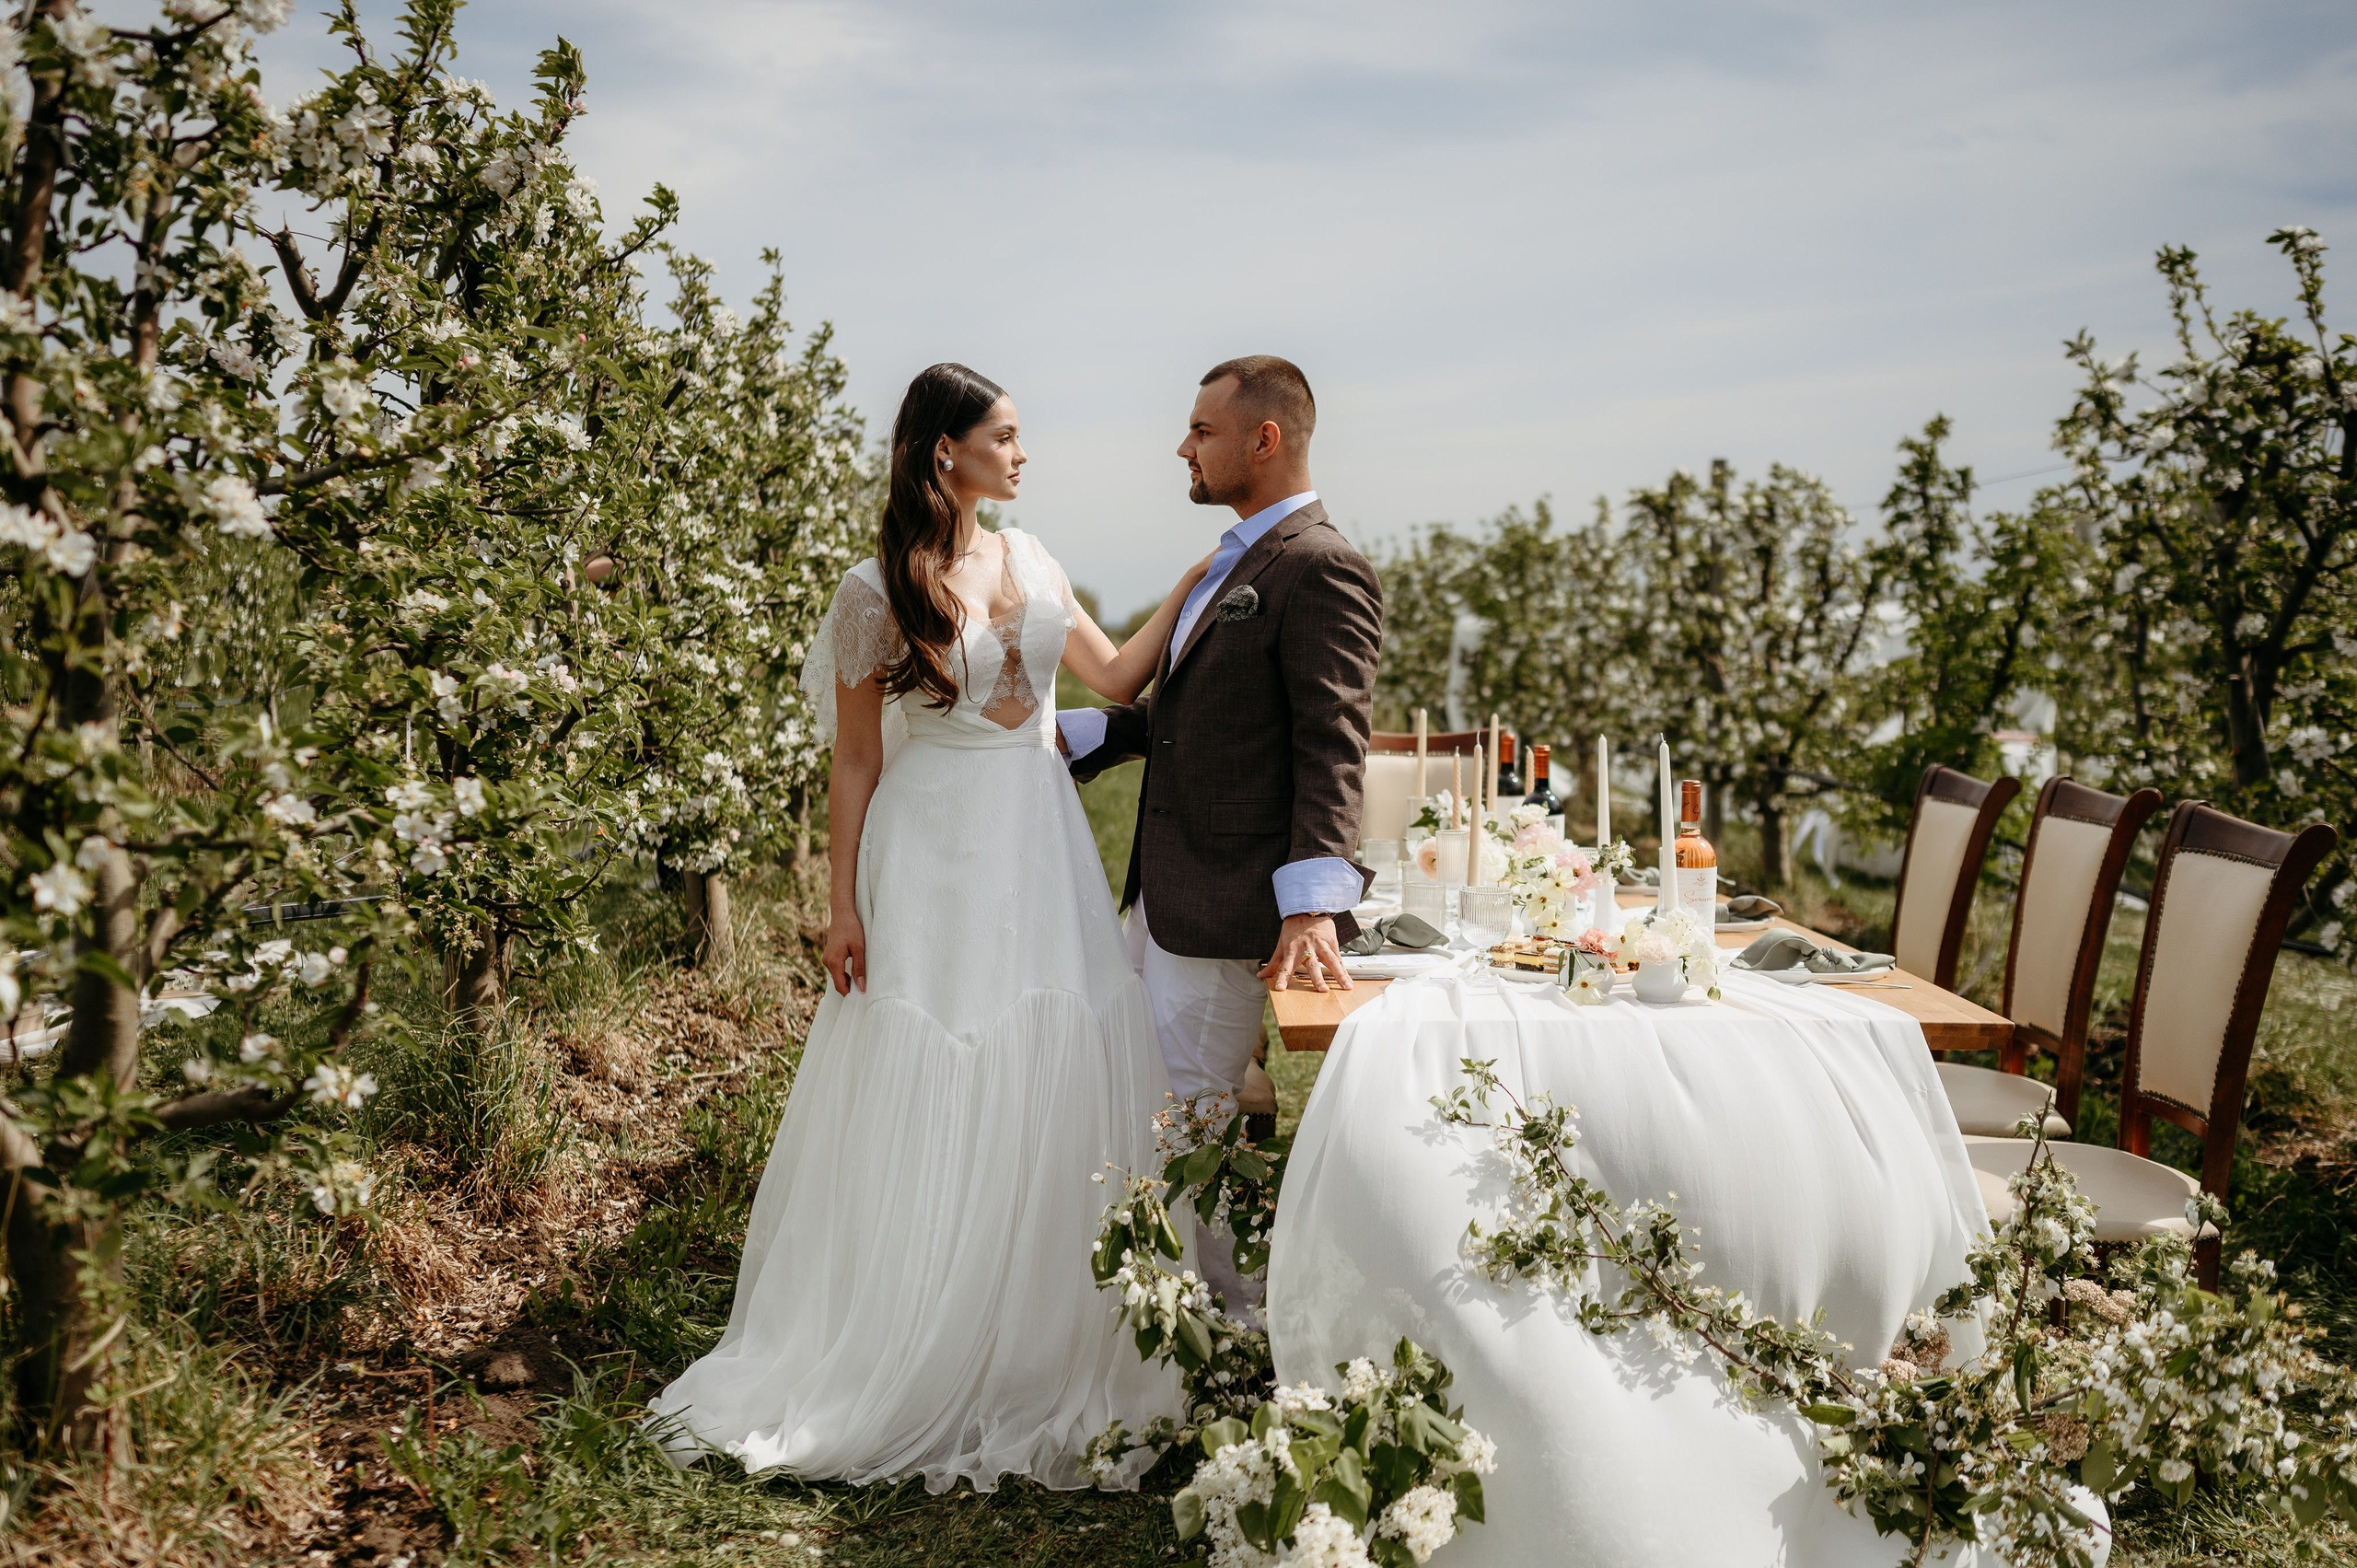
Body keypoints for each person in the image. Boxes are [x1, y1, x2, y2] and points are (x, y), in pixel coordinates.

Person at [648, 363, 1209, 1493]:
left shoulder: (1036, 556)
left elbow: (1114, 669)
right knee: (932, 1055)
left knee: (1056, 1050)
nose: (1022, 452)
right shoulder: (873, 591)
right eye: (1004, 435)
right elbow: (855, 761)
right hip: (931, 852)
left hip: (1038, 844)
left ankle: (1046, 1336)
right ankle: (912, 1330)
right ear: (944, 451)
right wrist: (839, 901)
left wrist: (1206, 572)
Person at [1061, 354, 1383, 1315]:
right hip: (1161, 889)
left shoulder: (1321, 566)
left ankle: (1224, 1323)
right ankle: (1166, 1311)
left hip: (1227, 900)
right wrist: (1041, 739)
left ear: (1263, 438)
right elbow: (1182, 720)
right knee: (1151, 1110)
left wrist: (1311, 908)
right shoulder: (1232, 562)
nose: (1182, 445)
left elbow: (1332, 743)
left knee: (1187, 1125)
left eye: (1201, 429)